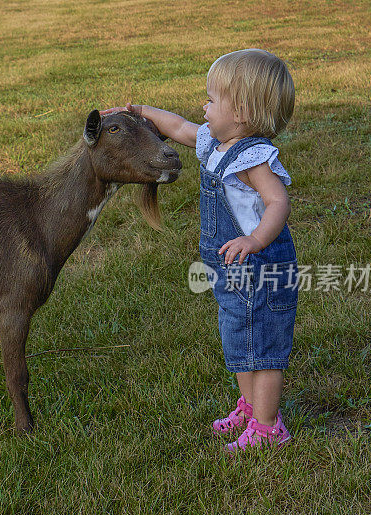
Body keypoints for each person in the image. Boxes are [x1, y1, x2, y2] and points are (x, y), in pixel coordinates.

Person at [102, 49, 297, 452]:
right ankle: (249, 407)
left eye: (211, 100)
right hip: (230, 268)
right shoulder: (217, 142)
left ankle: (268, 427)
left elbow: (277, 202)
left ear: (240, 112)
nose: (203, 108)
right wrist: (140, 111)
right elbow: (179, 127)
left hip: (260, 268)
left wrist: (255, 240)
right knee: (239, 339)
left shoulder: (255, 158)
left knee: (264, 346)